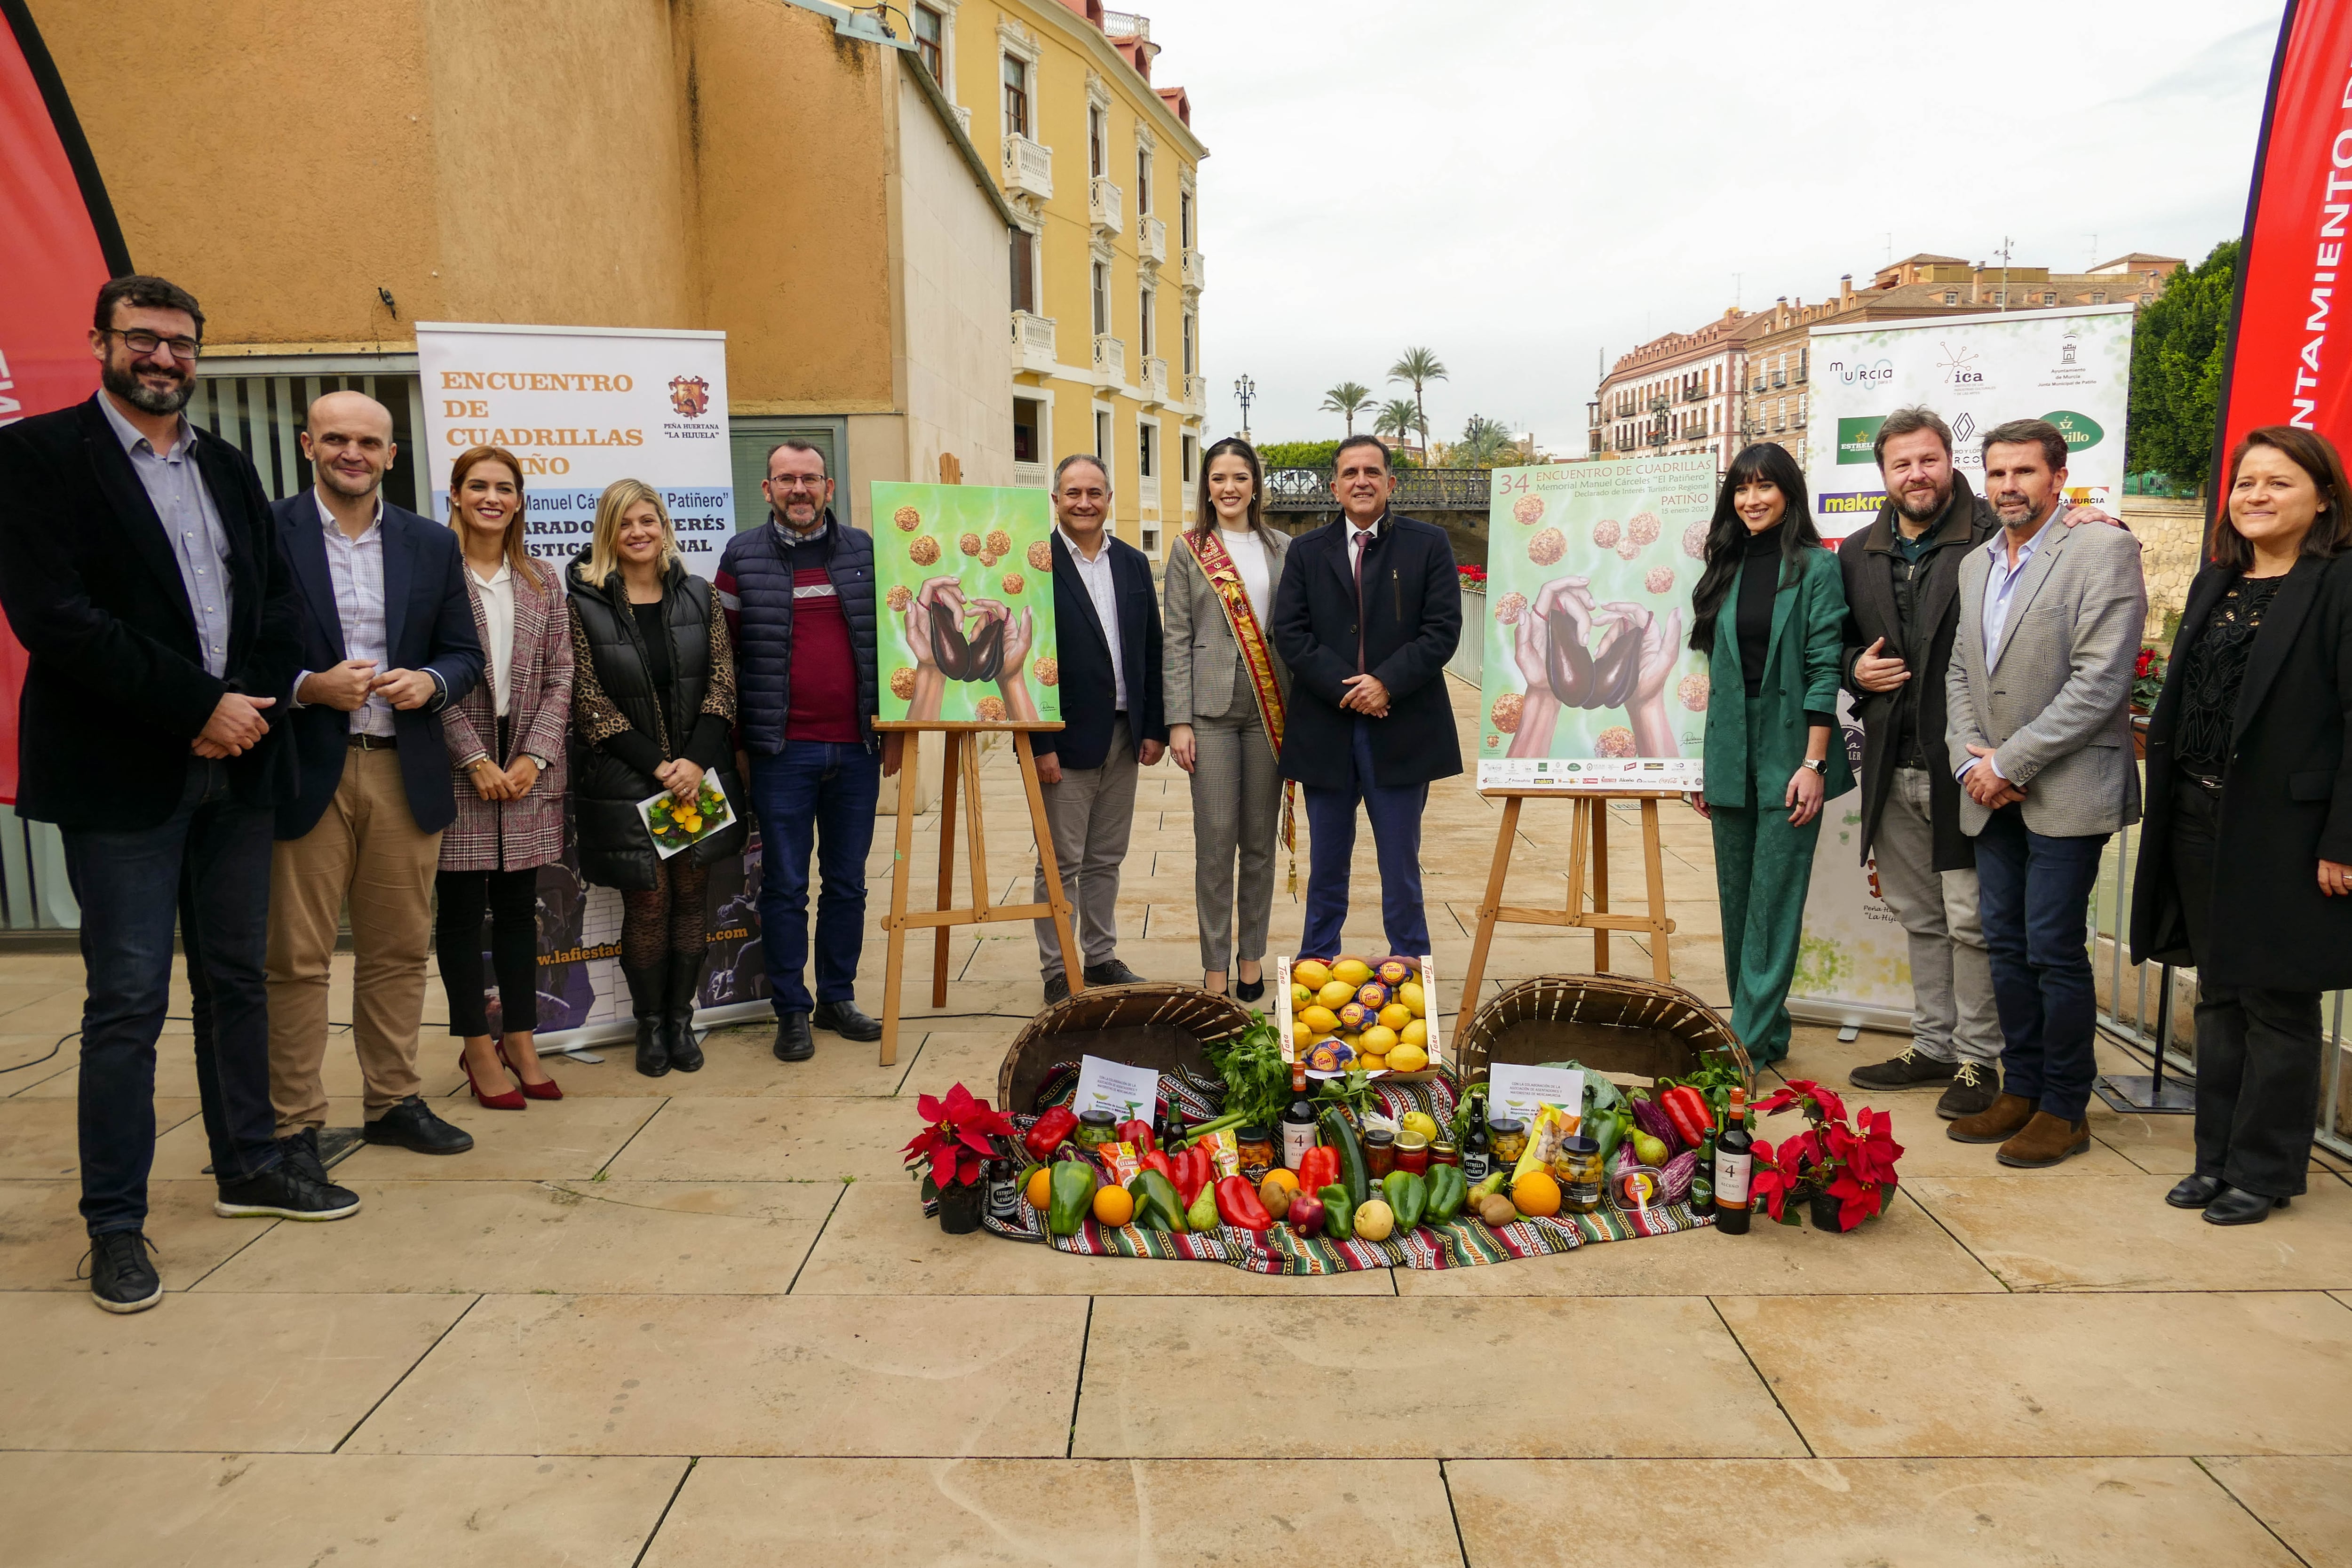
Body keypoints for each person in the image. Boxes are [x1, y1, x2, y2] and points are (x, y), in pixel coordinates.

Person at [0, 276, 359, 1314]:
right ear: (102, 342)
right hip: (126, 777)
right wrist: (197, 705)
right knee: (126, 1003)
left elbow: (279, 604)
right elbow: (59, 620)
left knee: (236, 979)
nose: (164, 358)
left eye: (182, 344)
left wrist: (247, 707)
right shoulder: (35, 461)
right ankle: (115, 1223)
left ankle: (250, 1164)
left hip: (239, 767)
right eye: (143, 339)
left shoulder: (228, 467)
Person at [2130, 426, 2352, 1224]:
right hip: (2197, 813)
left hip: (2288, 832)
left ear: (2323, 497)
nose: (2256, 495)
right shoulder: (2215, 580)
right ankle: (2215, 1156)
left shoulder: (2340, 584)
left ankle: (2266, 1170)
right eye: (2246, 482)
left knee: (2279, 1005)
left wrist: (2342, 841)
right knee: (2218, 995)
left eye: (2279, 482)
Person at [268, 392, 482, 1161]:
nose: (351, 452)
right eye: (335, 439)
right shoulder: (268, 531)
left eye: (367, 440)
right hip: (306, 767)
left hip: (402, 768)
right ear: (308, 445)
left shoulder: (430, 542)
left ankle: (392, 1099)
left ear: (392, 455)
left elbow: (466, 651)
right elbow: (234, 650)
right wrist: (305, 686)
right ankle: (294, 1121)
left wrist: (432, 681)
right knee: (296, 956)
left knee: (396, 949)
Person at [1946, 419, 2145, 1168]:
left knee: (2053, 948)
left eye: (2025, 472)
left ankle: (2066, 1107)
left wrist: (2011, 763)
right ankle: (2020, 1090)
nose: (2009, 487)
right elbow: (1961, 673)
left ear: (2058, 478)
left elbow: (2101, 680)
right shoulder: (1977, 564)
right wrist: (1974, 766)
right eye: (1997, 474)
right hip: (1988, 790)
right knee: (2005, 944)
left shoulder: (2103, 547)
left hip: (2064, 787)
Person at [715, 440, 892, 1063]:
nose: (799, 489)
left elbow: (894, 646)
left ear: (830, 487)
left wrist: (891, 730)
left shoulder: (868, 553)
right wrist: (738, 744)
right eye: (786, 479)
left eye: (809, 479)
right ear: (767, 489)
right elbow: (723, 662)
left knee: (847, 884)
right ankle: (791, 1010)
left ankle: (837, 998)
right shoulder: (741, 557)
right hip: (780, 753)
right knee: (786, 886)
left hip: (856, 751)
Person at [568, 480, 747, 1075]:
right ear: (607, 533)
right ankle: (649, 1027)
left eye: (648, 521)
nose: (639, 533)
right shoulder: (581, 602)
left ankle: (681, 1021)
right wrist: (660, 765)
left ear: (664, 527)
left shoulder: (699, 595)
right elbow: (587, 698)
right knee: (648, 904)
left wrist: (694, 761)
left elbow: (724, 681)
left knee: (691, 900)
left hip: (696, 779)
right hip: (627, 780)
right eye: (625, 524)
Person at [1685, 442, 1853, 1066]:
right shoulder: (1722, 566)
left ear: (1789, 493)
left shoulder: (1816, 567)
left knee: (1774, 899)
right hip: (1728, 745)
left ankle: (1742, 1045)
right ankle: (1767, 1033)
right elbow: (1705, 674)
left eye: (1765, 487)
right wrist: (1698, 764)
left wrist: (1814, 764)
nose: (1752, 500)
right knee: (1736, 899)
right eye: (1741, 489)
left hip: (1791, 744)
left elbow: (1821, 669)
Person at [1269, 434, 1462, 963]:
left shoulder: (1428, 544)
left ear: (1390, 483)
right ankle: (1316, 964)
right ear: (1334, 486)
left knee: (1399, 862)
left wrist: (1385, 684)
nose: (1361, 481)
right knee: (1326, 862)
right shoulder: (1307, 551)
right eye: (1350, 473)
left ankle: (1410, 964)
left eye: (1372, 472)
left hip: (1402, 727)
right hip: (1326, 729)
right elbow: (1290, 634)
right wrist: (1351, 691)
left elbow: (1442, 630)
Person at [436, 445, 573, 1106]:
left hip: (526, 767)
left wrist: (532, 757)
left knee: (521, 912)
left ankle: (521, 1038)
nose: (492, 497)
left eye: (506, 488)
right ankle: (476, 1048)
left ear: (519, 501)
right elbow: (425, 670)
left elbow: (562, 674)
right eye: (479, 486)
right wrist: (474, 758)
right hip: (459, 764)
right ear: (456, 495)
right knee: (462, 916)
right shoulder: (431, 573)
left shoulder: (543, 579)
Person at [1029, 453, 1166, 1004]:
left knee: (1106, 856)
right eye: (1072, 493)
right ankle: (1058, 967)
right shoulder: (1035, 564)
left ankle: (1101, 955)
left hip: (1124, 736)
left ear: (1108, 499)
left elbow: (1151, 647)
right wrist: (1039, 744)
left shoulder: (1132, 564)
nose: (1083, 503)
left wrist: (1152, 725)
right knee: (1060, 861)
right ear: (1056, 499)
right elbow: (1024, 658)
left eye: (1094, 493)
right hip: (1064, 740)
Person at [1164, 437, 1292, 999]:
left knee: (1260, 843)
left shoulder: (1284, 547)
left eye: (1239, 477)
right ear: (1206, 487)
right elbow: (1175, 637)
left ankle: (1251, 955)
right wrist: (1178, 720)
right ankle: (1214, 963)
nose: (1229, 488)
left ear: (1255, 485)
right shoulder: (1189, 549)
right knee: (1215, 842)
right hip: (1209, 714)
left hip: (1269, 710)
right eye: (1219, 478)